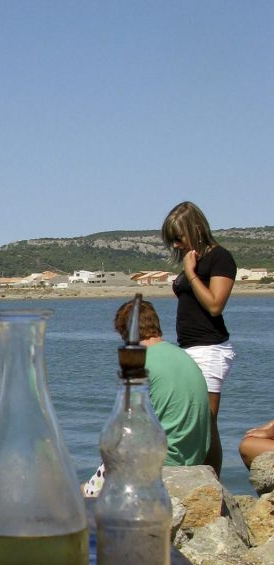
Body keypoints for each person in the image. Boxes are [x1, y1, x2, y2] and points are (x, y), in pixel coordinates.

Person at [83, 299, 211, 497]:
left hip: (162, 463)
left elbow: (127, 432)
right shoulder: (184, 357)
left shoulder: (141, 364)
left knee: (83, 496)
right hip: (193, 459)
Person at [161, 201, 236, 477]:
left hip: (211, 348)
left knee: (207, 421)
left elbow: (215, 305)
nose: (177, 245)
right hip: (189, 349)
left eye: (178, 237)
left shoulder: (220, 258)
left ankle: (210, 484)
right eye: (173, 240)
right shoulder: (194, 258)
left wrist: (190, 274)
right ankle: (196, 477)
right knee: (193, 420)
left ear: (195, 228)